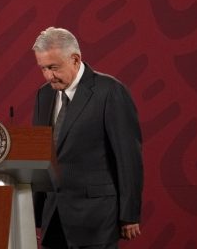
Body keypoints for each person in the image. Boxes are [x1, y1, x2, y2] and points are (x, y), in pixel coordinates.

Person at [32, 27, 143, 249]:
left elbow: (128, 158)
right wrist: (35, 214)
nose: (48, 75)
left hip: (97, 217)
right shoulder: (44, 95)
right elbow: (40, 154)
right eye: (43, 68)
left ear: (75, 59)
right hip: (54, 217)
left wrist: (130, 214)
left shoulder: (110, 91)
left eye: (54, 67)